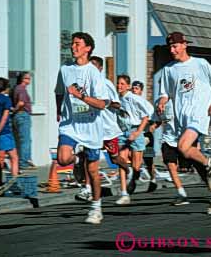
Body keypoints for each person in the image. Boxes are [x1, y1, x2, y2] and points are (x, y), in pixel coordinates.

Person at [157, 31, 211, 214]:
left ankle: (210, 162)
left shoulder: (200, 64)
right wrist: (162, 101)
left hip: (199, 114)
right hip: (182, 119)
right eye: (170, 47)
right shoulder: (168, 70)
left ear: (184, 45)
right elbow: (165, 93)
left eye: (175, 46)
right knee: (194, 160)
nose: (172, 50)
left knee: (183, 147)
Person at [55, 32, 108, 224]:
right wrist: (57, 110)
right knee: (62, 158)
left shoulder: (94, 73)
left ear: (88, 48)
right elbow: (59, 91)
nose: (73, 47)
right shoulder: (65, 69)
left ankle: (96, 207)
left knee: (93, 171)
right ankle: (78, 159)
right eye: (72, 44)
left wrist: (80, 97)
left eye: (78, 44)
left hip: (91, 126)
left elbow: (102, 104)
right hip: (70, 124)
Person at [73, 56, 126, 202]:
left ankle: (128, 169)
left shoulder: (106, 84)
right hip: (93, 127)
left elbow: (117, 104)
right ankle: (87, 189)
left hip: (108, 128)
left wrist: (103, 103)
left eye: (95, 66)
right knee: (87, 156)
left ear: (101, 69)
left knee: (115, 158)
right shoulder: (85, 84)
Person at [115, 75, 151, 205]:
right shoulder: (116, 99)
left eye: (122, 84)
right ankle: (124, 193)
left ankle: (134, 178)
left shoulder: (134, 98)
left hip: (135, 130)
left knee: (136, 166)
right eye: (118, 83)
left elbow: (146, 115)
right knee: (121, 160)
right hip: (122, 132)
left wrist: (137, 132)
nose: (119, 86)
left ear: (128, 86)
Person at [131, 80, 157, 192]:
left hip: (146, 135)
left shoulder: (146, 104)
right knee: (134, 155)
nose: (134, 90)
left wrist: (153, 126)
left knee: (149, 161)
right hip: (133, 134)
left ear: (141, 91)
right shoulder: (129, 102)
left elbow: (156, 119)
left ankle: (153, 179)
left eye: (136, 88)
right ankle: (133, 179)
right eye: (133, 88)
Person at [12, 72, 35, 170]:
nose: (29, 80)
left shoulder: (18, 89)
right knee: (25, 140)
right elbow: (21, 103)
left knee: (24, 139)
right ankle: (24, 162)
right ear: (23, 79)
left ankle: (26, 160)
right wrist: (15, 109)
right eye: (27, 78)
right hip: (22, 114)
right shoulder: (21, 89)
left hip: (20, 115)